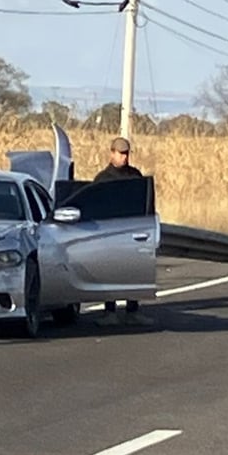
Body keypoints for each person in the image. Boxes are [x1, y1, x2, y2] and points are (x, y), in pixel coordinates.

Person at [93, 136, 152, 324]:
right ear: (112, 153)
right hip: (109, 233)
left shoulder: (135, 176)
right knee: (110, 271)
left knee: (132, 270)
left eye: (126, 154)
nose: (124, 158)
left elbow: (145, 203)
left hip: (132, 232)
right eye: (120, 154)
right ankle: (109, 312)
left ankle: (132, 311)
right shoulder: (102, 179)